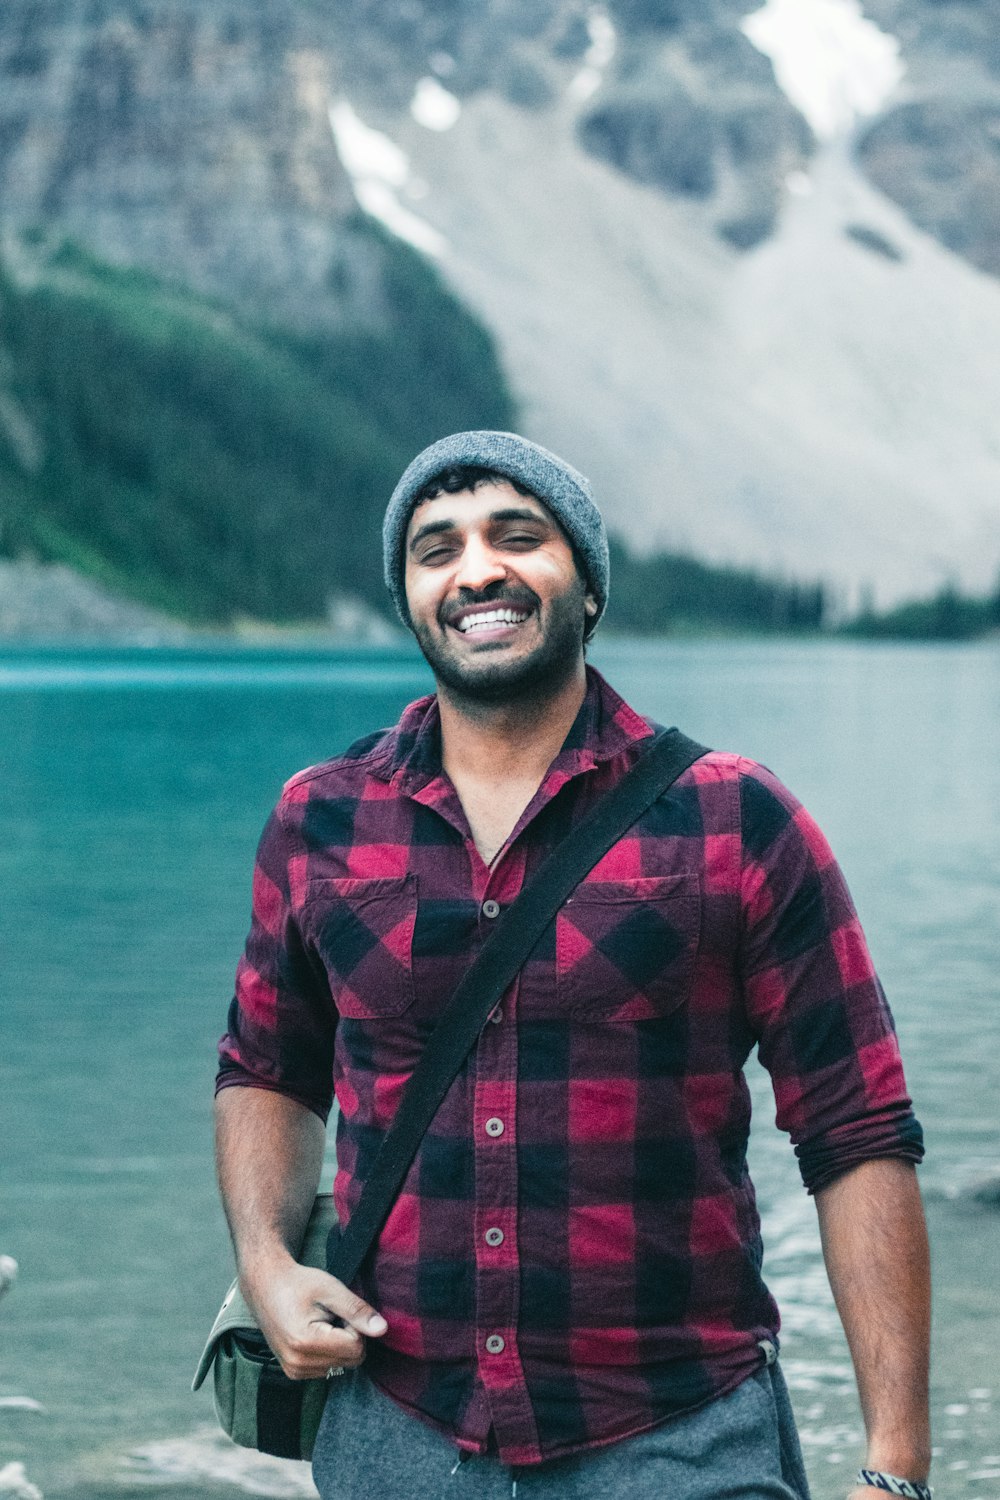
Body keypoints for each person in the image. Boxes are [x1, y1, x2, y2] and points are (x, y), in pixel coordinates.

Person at [214, 431, 931, 1500]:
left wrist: (896, 1466)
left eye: (517, 536)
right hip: (397, 1437)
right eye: (435, 549)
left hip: (680, 1439)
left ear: (586, 586)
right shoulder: (319, 816)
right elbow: (268, 1069)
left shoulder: (737, 818)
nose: (477, 572)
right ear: (410, 596)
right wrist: (266, 1268)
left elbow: (856, 1132)